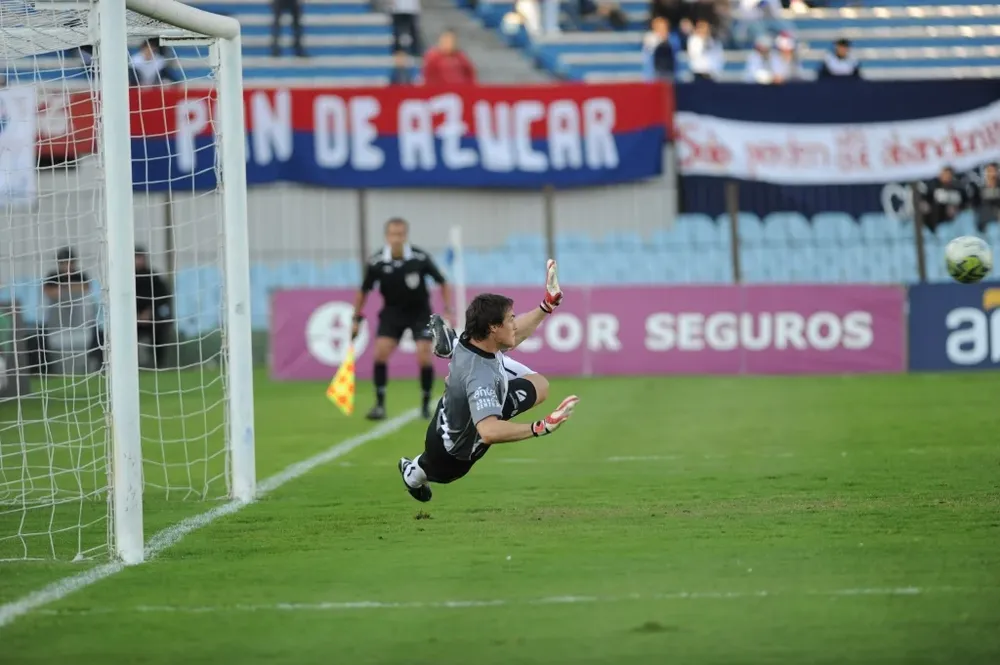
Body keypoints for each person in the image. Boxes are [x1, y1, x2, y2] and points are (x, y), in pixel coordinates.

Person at [398, 260, 580, 503]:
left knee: (540, 386)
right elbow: (489, 432)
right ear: (493, 327)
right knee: (425, 470)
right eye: (510, 319)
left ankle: (415, 470)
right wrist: (541, 426)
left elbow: (513, 336)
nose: (515, 323)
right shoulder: (480, 378)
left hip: (452, 415)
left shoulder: (475, 338)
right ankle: (412, 476)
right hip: (453, 457)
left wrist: (546, 306)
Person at [351, 218, 453, 420]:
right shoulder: (377, 261)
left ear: (405, 235)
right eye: (393, 234)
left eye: (400, 234)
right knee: (380, 354)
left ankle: (425, 405)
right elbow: (364, 291)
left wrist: (448, 310)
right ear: (387, 237)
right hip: (392, 313)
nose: (397, 238)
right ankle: (379, 405)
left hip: (420, 312)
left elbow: (442, 282)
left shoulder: (419, 258)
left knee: (424, 356)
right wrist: (356, 317)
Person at [134, 246, 173, 369]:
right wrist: (136, 315)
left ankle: (158, 364)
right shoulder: (125, 278)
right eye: (137, 258)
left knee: (160, 329)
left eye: (141, 258)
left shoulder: (153, 276)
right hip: (131, 317)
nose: (139, 261)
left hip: (152, 317)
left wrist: (149, 312)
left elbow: (164, 297)